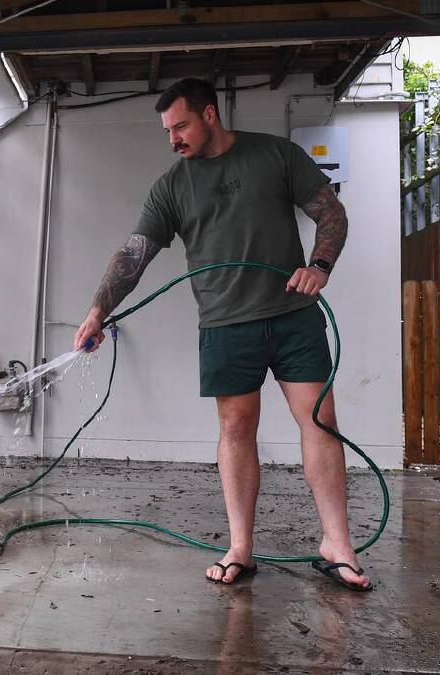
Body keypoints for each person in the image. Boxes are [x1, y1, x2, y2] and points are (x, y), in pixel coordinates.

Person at [72, 78, 372, 592]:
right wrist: (99, 308)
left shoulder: (276, 155)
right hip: (225, 324)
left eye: (181, 126)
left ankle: (337, 545)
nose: (174, 139)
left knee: (320, 421)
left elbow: (331, 213)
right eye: (168, 130)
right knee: (236, 430)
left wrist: (319, 266)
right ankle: (240, 547)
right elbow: (135, 253)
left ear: (210, 114)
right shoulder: (172, 185)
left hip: (293, 315)